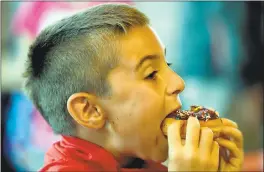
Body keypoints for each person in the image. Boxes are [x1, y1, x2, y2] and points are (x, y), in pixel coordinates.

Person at [23, 3, 244, 171]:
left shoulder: (141, 160)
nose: (178, 83)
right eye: (151, 74)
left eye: (168, 65)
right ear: (90, 110)